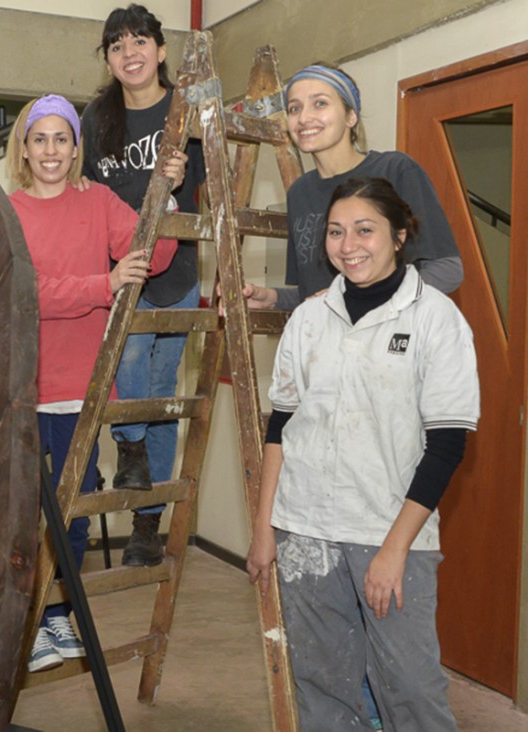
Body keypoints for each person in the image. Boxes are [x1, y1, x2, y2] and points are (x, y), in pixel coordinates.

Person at [246, 176, 479, 730]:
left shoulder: (435, 318)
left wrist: (395, 550)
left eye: (365, 229)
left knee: (410, 691)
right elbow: (281, 426)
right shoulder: (309, 318)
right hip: (305, 529)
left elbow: (447, 445)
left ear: (400, 236)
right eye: (335, 232)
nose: (348, 245)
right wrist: (264, 528)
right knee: (322, 688)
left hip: (389, 531)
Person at [6, 94, 178, 672]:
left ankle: (56, 616)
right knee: (25, 515)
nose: (51, 150)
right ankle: (23, 622)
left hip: (84, 388)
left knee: (74, 511)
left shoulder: (97, 200)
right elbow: (24, 296)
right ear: (24, 149)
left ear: (76, 148)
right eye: (40, 139)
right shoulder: (8, 211)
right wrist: (102, 284)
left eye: (62, 139)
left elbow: (155, 254)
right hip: (23, 389)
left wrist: (164, 201)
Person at [80, 3, 205, 568]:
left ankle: (146, 527)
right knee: (128, 364)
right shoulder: (96, 119)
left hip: (176, 272)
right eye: (116, 45)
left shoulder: (187, 112)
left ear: (159, 49)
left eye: (138, 41)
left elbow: (207, 188)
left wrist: (181, 177)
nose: (128, 52)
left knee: (157, 397)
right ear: (109, 59)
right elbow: (86, 195)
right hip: (123, 266)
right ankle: (128, 448)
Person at [242, 63, 462, 311]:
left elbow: (447, 270)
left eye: (320, 103)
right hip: (331, 347)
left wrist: (367, 300)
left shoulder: (395, 170)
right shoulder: (299, 193)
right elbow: (315, 295)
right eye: (295, 108)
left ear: (351, 116)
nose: (304, 118)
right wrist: (272, 298)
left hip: (391, 341)